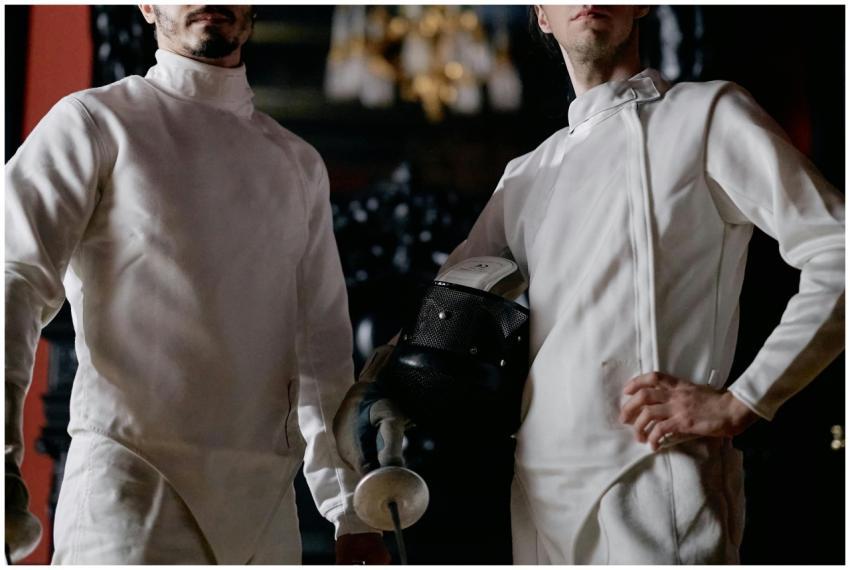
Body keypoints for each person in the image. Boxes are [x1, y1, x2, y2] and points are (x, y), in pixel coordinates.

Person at [422, 5, 843, 564]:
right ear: (541, 15)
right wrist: (371, 400)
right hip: (539, 498)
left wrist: (745, 399)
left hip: (657, 485)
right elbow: (442, 317)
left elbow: (837, 249)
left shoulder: (705, 114)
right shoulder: (526, 173)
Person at [5, 5, 389, 564]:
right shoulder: (94, 121)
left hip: (264, 514)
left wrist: (351, 508)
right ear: (146, 4)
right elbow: (12, 281)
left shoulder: (298, 165)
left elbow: (322, 353)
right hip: (128, 490)